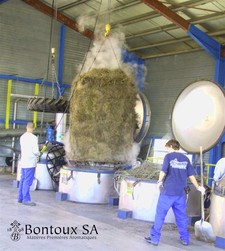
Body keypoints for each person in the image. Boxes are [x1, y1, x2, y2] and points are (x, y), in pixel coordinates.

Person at [145, 139, 205, 246]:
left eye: (167, 148)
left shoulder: (168, 157)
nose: (167, 150)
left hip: (167, 192)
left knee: (160, 216)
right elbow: (191, 176)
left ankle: (154, 239)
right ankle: (185, 239)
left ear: (172, 147)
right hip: (180, 194)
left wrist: (159, 182)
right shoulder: (186, 159)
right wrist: (198, 187)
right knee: (181, 217)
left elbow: (163, 171)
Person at [18, 122, 40, 206]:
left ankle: (20, 197)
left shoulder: (22, 137)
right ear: (33, 128)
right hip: (30, 162)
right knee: (28, 181)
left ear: (26, 127)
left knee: (23, 179)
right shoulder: (34, 138)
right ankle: (26, 199)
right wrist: (39, 153)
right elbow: (35, 151)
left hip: (23, 161)